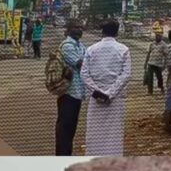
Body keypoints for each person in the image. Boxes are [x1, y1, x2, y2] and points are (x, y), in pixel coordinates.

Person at [81, 19, 131, 156]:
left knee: (94, 131)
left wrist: (97, 92)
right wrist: (110, 93)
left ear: (102, 31)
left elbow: (84, 74)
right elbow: (126, 74)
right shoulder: (123, 50)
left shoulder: (91, 49)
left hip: (96, 98)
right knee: (114, 133)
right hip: (115, 99)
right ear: (117, 31)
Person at [55, 19, 86, 155]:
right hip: (68, 92)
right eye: (76, 27)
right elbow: (80, 64)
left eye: (81, 27)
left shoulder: (80, 45)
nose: (80, 30)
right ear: (69, 29)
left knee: (71, 128)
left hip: (77, 92)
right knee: (65, 128)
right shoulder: (67, 46)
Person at [144, 29, 166, 95]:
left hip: (158, 64)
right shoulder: (152, 44)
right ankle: (150, 91)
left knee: (159, 77)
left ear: (161, 37)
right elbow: (149, 53)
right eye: (156, 36)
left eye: (159, 36)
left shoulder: (163, 45)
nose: (157, 37)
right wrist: (145, 63)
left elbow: (166, 55)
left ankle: (161, 88)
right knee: (150, 78)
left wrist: (164, 65)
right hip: (151, 63)